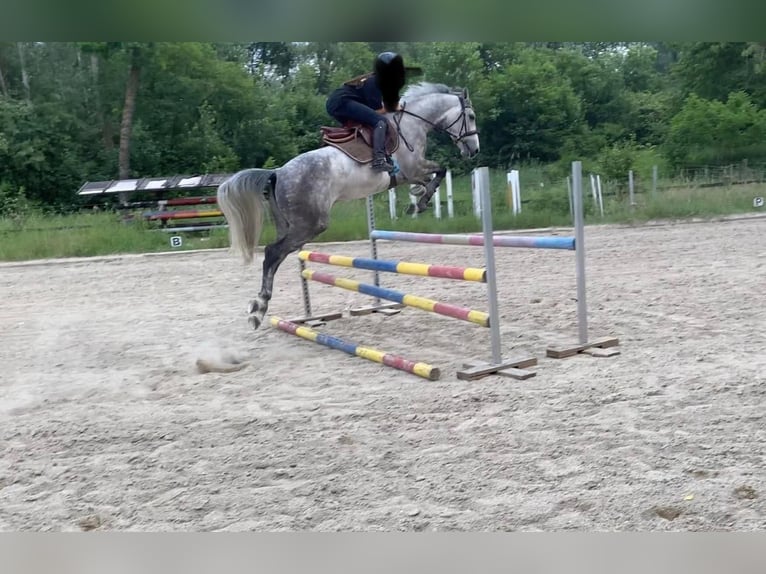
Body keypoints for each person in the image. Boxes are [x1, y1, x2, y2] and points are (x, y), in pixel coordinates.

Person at [326, 51, 407, 172]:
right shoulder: (375, 82)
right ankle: (379, 160)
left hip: (336, 103)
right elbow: (377, 112)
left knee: (367, 124)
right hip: (342, 102)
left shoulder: (375, 80)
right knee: (380, 122)